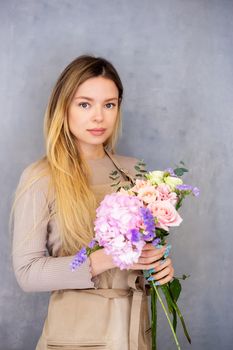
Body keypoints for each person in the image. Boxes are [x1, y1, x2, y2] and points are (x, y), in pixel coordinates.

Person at [11, 55, 174, 350]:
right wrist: (104, 259)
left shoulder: (136, 173)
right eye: (85, 104)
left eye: (109, 104)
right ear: (64, 107)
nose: (99, 117)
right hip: (76, 334)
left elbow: (143, 254)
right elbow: (27, 273)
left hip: (134, 333)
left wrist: (159, 267)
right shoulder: (41, 177)